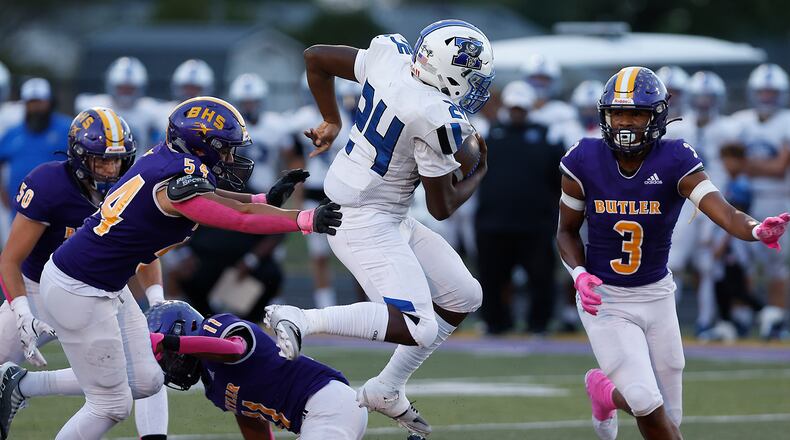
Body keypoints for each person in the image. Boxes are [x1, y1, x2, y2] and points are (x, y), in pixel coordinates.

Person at [11, 97, 340, 440]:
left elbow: (219, 200)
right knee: (111, 405)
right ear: (201, 146)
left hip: (102, 282)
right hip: (78, 289)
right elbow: (235, 218)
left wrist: (262, 201)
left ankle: (28, 386)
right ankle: (23, 385)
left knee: (151, 378)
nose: (230, 158)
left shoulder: (172, 161)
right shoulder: (175, 182)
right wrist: (303, 219)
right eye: (224, 150)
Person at [264, 20, 492, 436]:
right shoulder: (434, 115)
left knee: (464, 294)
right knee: (418, 325)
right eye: (471, 76)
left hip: (384, 211)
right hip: (362, 218)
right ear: (447, 69)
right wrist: (478, 172)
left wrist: (330, 119)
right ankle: (297, 318)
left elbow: (314, 56)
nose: (476, 86)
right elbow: (442, 208)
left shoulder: (392, 59)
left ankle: (387, 388)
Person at [556, 66, 789, 440]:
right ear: (605, 115)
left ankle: (605, 393)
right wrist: (579, 275)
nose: (626, 122)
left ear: (658, 117)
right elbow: (566, 232)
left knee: (668, 416)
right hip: (606, 299)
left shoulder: (675, 158)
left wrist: (756, 229)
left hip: (658, 295)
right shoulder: (583, 159)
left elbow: (724, 211)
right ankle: (616, 392)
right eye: (618, 113)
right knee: (648, 405)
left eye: (637, 113)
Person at [0, 107, 170, 440]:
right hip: (39, 289)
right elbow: (10, 259)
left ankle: (22, 384)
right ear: (79, 157)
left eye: (118, 160)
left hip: (105, 288)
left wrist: (157, 301)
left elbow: (145, 249)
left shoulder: (133, 186)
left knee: (147, 378)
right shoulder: (49, 184)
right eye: (101, 161)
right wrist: (21, 312)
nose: (111, 169)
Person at [144, 300, 366, 439]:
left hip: (328, 403)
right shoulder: (212, 387)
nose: (169, 367)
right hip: (318, 418)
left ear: (184, 330)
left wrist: (170, 343)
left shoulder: (215, 327)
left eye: (168, 358)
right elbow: (253, 423)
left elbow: (234, 349)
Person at [476, 80, 564, 335]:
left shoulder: (547, 135)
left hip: (535, 223)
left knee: (541, 276)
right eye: (513, 108)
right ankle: (495, 322)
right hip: (493, 221)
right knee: (492, 276)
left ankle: (539, 323)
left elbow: (560, 178)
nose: (517, 112)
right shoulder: (489, 134)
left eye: (521, 108)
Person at [289, 76, 361, 308]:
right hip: (314, 188)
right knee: (319, 255)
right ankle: (325, 306)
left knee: (356, 252)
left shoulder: (351, 119)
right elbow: (293, 153)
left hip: (343, 190)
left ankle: (368, 305)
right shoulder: (304, 117)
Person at [730, 63, 790, 339]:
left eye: (772, 92)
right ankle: (744, 316)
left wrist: (747, 165)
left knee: (778, 262)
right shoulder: (741, 121)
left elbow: (779, 169)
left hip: (780, 199)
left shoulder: (786, 121)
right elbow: (730, 162)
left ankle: (775, 318)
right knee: (744, 260)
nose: (766, 97)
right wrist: (751, 166)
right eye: (762, 92)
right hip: (745, 201)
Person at [0, 78, 71, 220]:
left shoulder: (67, 129)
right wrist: (3, 195)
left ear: (49, 102)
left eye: (40, 102)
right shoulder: (13, 133)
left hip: (59, 211)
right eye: (31, 102)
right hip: (20, 213)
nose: (36, 107)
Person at [75, 57, 162, 156]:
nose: (125, 94)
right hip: (104, 163)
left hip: (138, 166)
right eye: (121, 88)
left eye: (130, 89)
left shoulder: (151, 111)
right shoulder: (95, 106)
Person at [520, 53, 576, 126]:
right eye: (535, 78)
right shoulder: (517, 110)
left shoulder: (564, 111)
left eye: (543, 79)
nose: (539, 83)